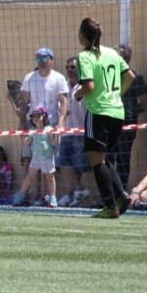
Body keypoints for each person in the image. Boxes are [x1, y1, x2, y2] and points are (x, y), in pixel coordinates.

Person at [74, 17, 135, 220]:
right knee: (103, 157)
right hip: (118, 112)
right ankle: (122, 195)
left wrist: (79, 93)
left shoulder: (84, 56)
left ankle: (110, 206)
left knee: (96, 161)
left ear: (83, 35)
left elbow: (89, 86)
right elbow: (130, 76)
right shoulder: (112, 53)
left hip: (98, 112)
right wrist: (117, 94)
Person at [15, 48, 68, 185]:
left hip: (51, 125)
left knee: (49, 164)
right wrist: (21, 122)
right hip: (33, 124)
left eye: (44, 59)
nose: (41, 62)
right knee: (29, 161)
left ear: (51, 60)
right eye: (38, 59)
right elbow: (24, 102)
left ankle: (48, 196)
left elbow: (64, 102)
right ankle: (32, 197)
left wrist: (61, 122)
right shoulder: (29, 78)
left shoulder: (59, 78)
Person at [112, 44, 147, 188]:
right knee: (106, 157)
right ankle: (108, 195)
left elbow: (145, 103)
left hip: (126, 123)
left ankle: (120, 193)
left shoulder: (135, 78)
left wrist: (131, 114)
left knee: (122, 157)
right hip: (108, 121)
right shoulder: (108, 76)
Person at [56, 57, 90, 207]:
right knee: (63, 162)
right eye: (68, 67)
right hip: (66, 131)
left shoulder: (86, 87)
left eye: (73, 67)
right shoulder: (63, 88)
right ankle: (79, 189)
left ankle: (72, 194)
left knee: (78, 166)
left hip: (81, 131)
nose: (70, 70)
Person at [13, 107, 57, 207]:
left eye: (38, 115)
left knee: (50, 178)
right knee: (29, 177)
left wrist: (56, 134)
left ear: (44, 116)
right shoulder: (32, 131)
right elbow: (27, 143)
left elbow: (54, 143)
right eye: (33, 116)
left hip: (47, 157)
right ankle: (20, 197)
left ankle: (53, 198)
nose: (35, 118)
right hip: (36, 158)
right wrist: (21, 135)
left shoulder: (49, 129)